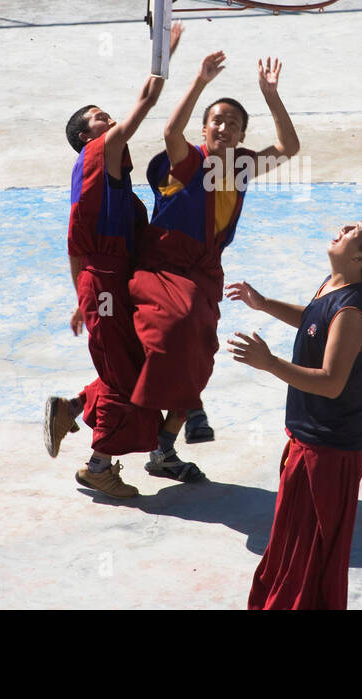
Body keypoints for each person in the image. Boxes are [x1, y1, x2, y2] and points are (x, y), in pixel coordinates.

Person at [129, 52, 300, 482]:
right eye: (216, 121)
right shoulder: (189, 162)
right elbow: (170, 130)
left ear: (243, 133)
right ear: (204, 129)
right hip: (163, 266)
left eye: (234, 124)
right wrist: (200, 81)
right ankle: (190, 412)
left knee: (203, 350)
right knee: (180, 327)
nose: (224, 128)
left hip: (205, 272)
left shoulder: (241, 166)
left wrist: (270, 95)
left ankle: (165, 445)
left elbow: (289, 148)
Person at [227, 217, 362, 610]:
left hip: (332, 449)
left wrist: (269, 362)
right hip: (308, 439)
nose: (342, 227)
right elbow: (311, 321)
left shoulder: (353, 311)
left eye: (352, 230)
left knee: (309, 556)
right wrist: (264, 303)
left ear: (358, 257)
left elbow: (330, 382)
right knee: (290, 545)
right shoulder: (333, 284)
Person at [43, 24, 182, 500]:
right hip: (105, 280)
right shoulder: (99, 153)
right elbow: (142, 105)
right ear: (89, 136)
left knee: (131, 364)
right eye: (102, 118)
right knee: (130, 377)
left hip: (104, 281)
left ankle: (74, 407)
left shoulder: (104, 175)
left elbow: (73, 246)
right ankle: (98, 467)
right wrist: (163, 60)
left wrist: (80, 295)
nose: (111, 121)